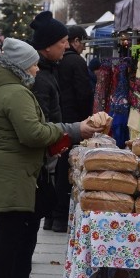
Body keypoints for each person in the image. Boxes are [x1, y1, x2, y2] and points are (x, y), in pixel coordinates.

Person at [0, 38, 102, 278]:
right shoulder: (15, 91)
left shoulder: (10, 88)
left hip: (9, 166)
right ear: (21, 66)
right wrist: (70, 129)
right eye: (33, 64)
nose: (37, 69)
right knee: (10, 235)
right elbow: (32, 133)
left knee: (11, 232)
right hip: (10, 169)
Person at [47, 25, 94, 233]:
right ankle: (59, 217)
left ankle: (49, 217)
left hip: (55, 122)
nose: (83, 47)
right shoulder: (76, 62)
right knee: (67, 170)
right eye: (82, 42)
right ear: (75, 41)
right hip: (73, 123)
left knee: (53, 168)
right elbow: (84, 94)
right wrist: (87, 121)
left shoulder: (53, 63)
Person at [27, 11, 70, 233]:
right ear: (47, 47)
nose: (67, 46)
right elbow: (40, 122)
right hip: (40, 155)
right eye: (62, 42)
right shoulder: (41, 77)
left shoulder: (48, 71)